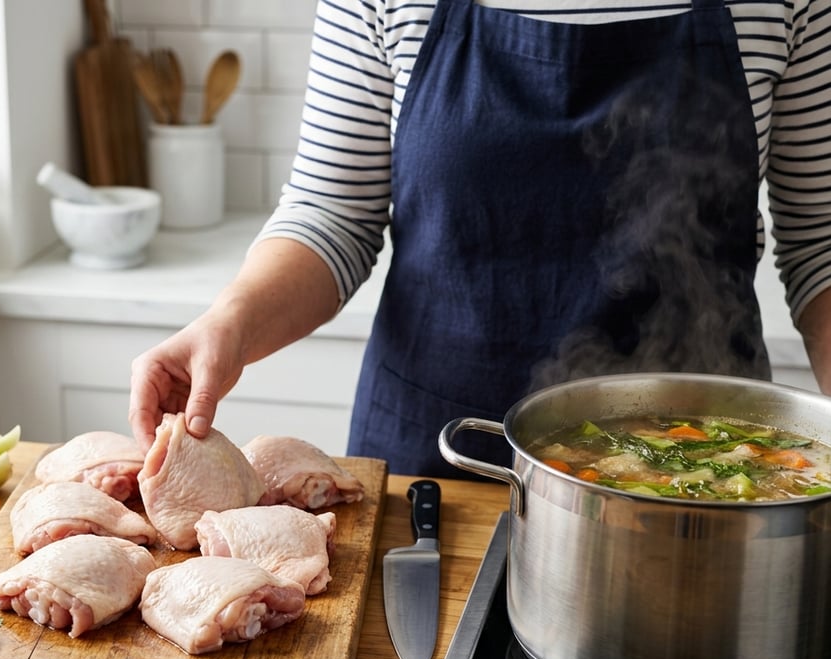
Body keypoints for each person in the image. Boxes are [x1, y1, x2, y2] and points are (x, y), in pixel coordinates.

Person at [129, 0, 831, 477]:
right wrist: (230, 321)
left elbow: (821, 247)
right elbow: (332, 211)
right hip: (438, 465)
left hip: (706, 475)